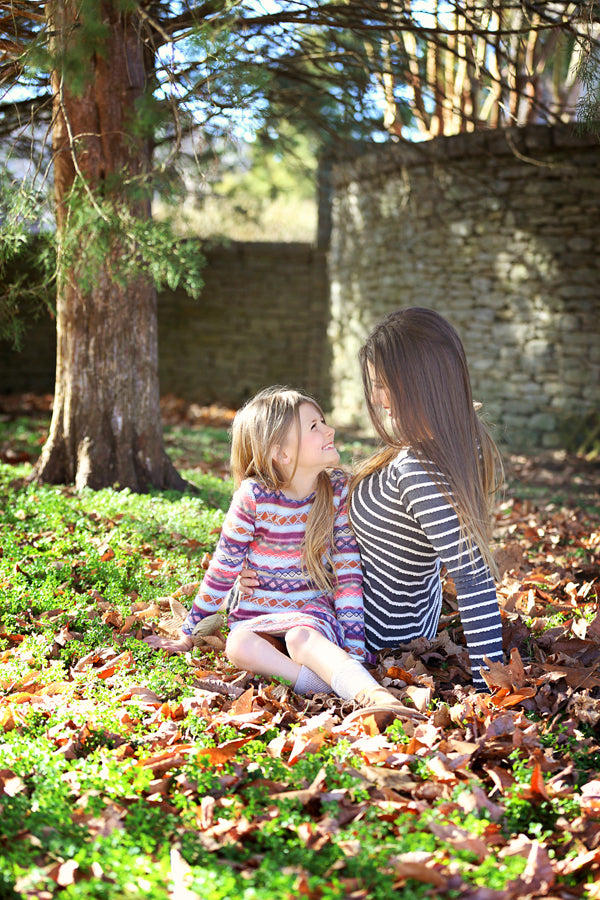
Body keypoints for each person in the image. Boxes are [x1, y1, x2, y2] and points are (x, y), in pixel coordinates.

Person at [241, 310, 504, 691]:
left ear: (417, 381)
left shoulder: (420, 470)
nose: (379, 399)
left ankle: (331, 680)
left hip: (367, 625)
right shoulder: (448, 444)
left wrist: (489, 686)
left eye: (383, 385)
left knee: (255, 637)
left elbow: (472, 576)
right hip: (367, 604)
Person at [145, 386, 422, 715]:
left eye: (323, 421)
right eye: (314, 427)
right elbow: (224, 568)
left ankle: (373, 696)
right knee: (237, 645)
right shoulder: (253, 497)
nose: (329, 429)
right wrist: (189, 633)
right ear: (282, 453)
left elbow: (349, 575)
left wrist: (354, 650)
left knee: (299, 639)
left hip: (311, 616)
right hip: (257, 616)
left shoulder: (336, 492)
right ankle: (323, 687)